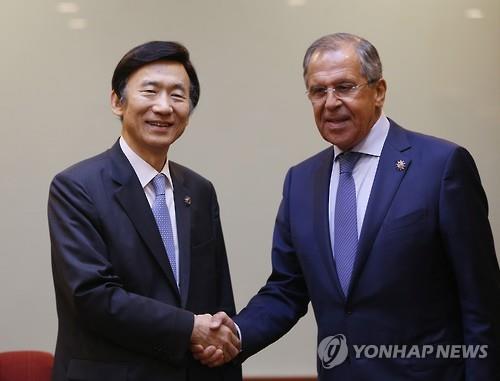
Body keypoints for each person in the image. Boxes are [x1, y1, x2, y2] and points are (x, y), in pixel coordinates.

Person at [194, 33, 500, 380]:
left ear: (379, 91)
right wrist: (234, 335)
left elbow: (481, 302)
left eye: (345, 87)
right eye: (318, 91)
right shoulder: (301, 181)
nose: (331, 102)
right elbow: (286, 289)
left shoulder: (441, 166)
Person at [48, 41, 241, 381]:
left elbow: (218, 296)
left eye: (178, 96)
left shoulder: (199, 191)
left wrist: (221, 345)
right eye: (150, 91)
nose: (164, 107)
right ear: (117, 102)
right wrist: (189, 328)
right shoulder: (77, 187)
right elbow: (91, 297)